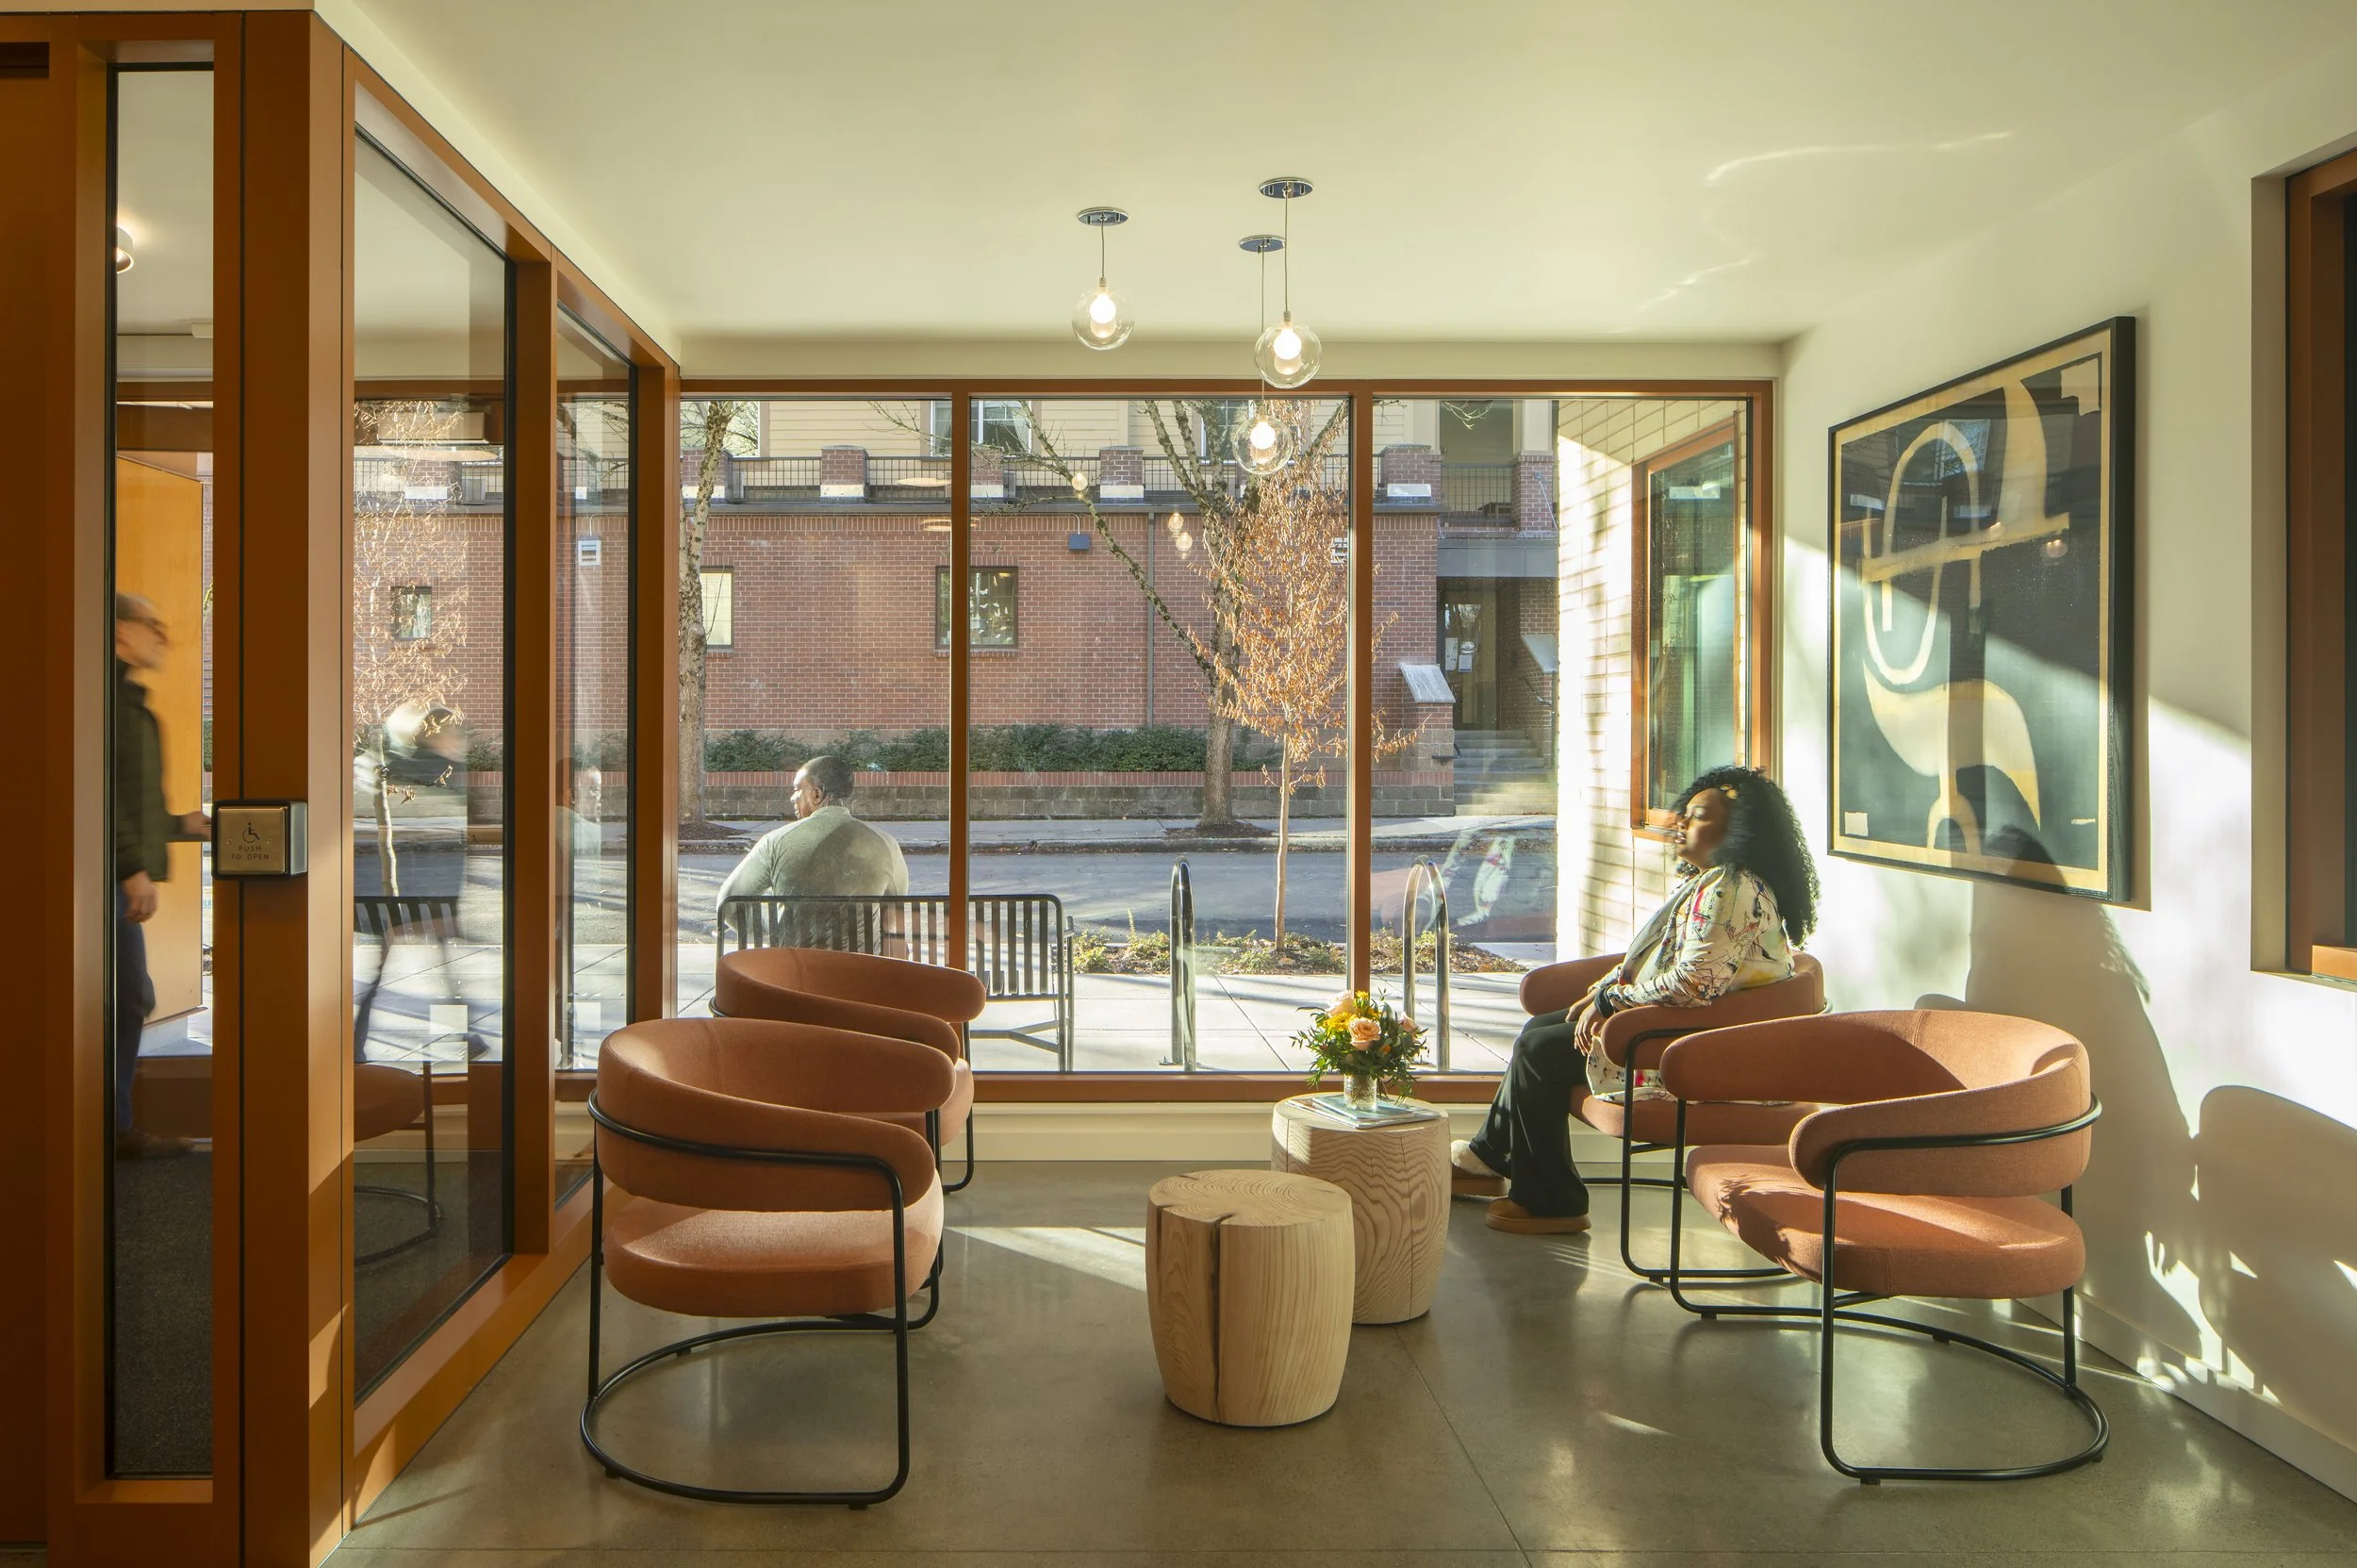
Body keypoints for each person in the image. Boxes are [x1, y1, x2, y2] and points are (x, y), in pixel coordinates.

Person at [1453, 764, 1820, 1234]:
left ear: (1738, 829)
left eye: (1699, 816)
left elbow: (1693, 983)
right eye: (1684, 813)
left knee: (1539, 1051)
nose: (1681, 823)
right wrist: (1599, 993)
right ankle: (1492, 1156)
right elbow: (1652, 960)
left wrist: (1610, 1004)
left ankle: (1551, 1201)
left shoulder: (1732, 889)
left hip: (1702, 1054)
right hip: (1687, 1033)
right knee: (1540, 1029)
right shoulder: (1717, 882)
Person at [114, 593, 209, 1160]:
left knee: (125, 998)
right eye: (152, 625)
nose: (163, 637)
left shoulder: (125, 701)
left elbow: (126, 800)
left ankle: (109, 1128)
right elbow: (97, 794)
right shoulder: (104, 702)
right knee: (126, 997)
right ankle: (109, 1131)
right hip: (104, 878)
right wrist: (131, 869)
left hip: (111, 872)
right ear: (120, 631)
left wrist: (179, 825)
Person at [717, 754, 909, 924]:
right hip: (860, 956)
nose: (792, 798)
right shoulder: (886, 843)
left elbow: (728, 904)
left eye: (797, 790)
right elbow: (894, 910)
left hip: (793, 955)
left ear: (816, 794)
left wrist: (768, 933)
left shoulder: (775, 842)